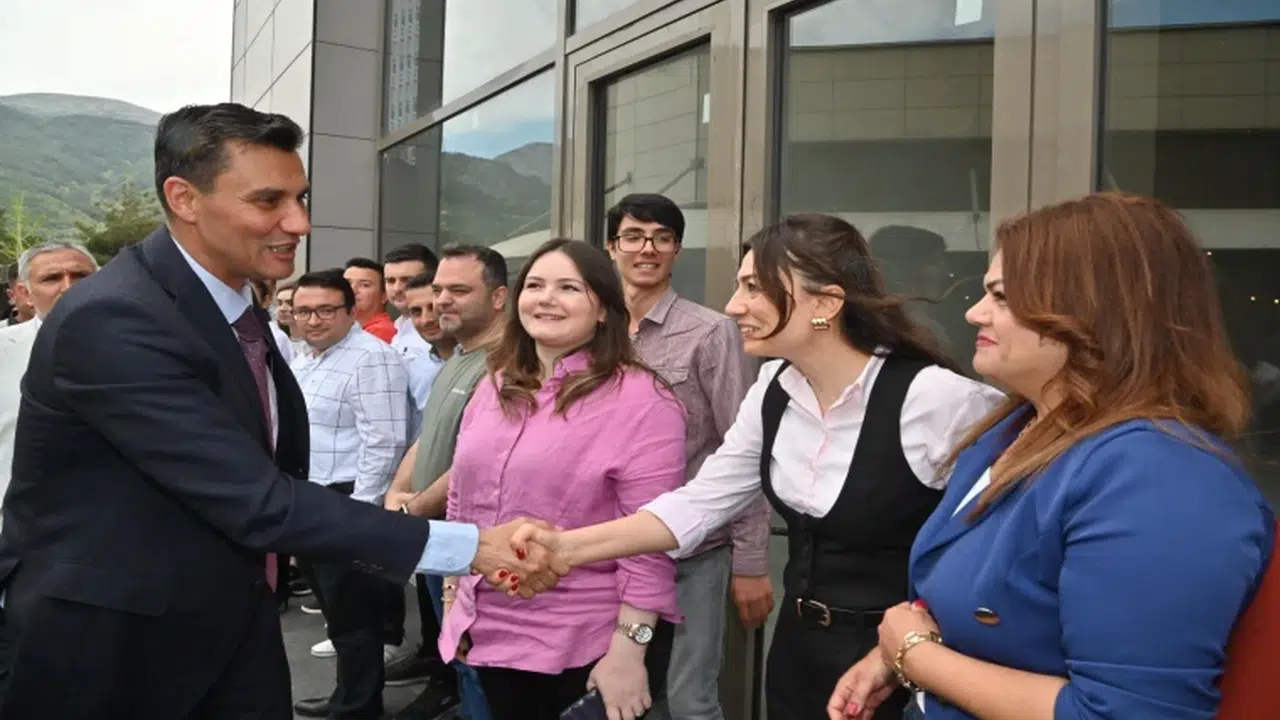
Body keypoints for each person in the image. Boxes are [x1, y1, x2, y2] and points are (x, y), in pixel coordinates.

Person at [0, 102, 563, 719]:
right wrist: (469, 546)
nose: (299, 222)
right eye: (269, 201)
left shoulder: (230, 306)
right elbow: (255, 498)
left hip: (230, 622)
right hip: (118, 651)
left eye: (301, 197)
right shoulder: (116, 319)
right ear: (184, 198)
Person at [507, 214, 1001, 719]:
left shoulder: (938, 400)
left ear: (826, 304)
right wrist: (565, 547)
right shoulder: (774, 390)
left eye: (753, 288)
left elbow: (994, 551)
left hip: (900, 664)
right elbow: (699, 503)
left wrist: (913, 639)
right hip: (798, 651)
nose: (733, 305)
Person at [827, 192, 1274, 720]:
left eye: (1001, 296)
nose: (973, 312)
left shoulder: (1162, 479)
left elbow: (1121, 713)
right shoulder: (1018, 428)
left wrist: (914, 655)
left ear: (1090, 309)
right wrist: (892, 654)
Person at [440, 239, 685, 720]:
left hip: (587, 644)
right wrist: (455, 599)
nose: (546, 299)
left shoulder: (643, 400)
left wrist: (628, 652)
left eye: (568, 288)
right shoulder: (494, 384)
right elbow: (460, 501)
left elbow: (651, 541)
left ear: (603, 309)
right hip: (488, 631)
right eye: (535, 285)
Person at [605, 193, 772, 720]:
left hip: (692, 554)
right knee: (615, 692)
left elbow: (743, 449)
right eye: (634, 236)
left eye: (663, 238)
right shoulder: (594, 331)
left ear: (677, 249)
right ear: (611, 247)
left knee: (689, 701)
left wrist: (750, 561)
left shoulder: (710, 331)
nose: (647, 249)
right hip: (609, 549)